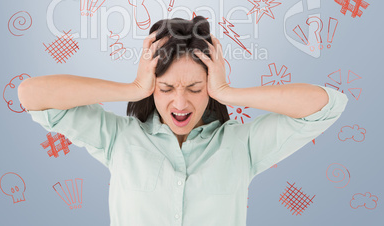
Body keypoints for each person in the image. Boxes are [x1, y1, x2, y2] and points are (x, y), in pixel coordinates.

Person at [18, 16, 349, 226]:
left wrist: (227, 92)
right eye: (165, 88)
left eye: (195, 88)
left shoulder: (240, 145)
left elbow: (326, 105)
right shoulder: (120, 139)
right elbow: (31, 94)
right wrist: (132, 88)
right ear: (152, 88)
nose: (180, 102)